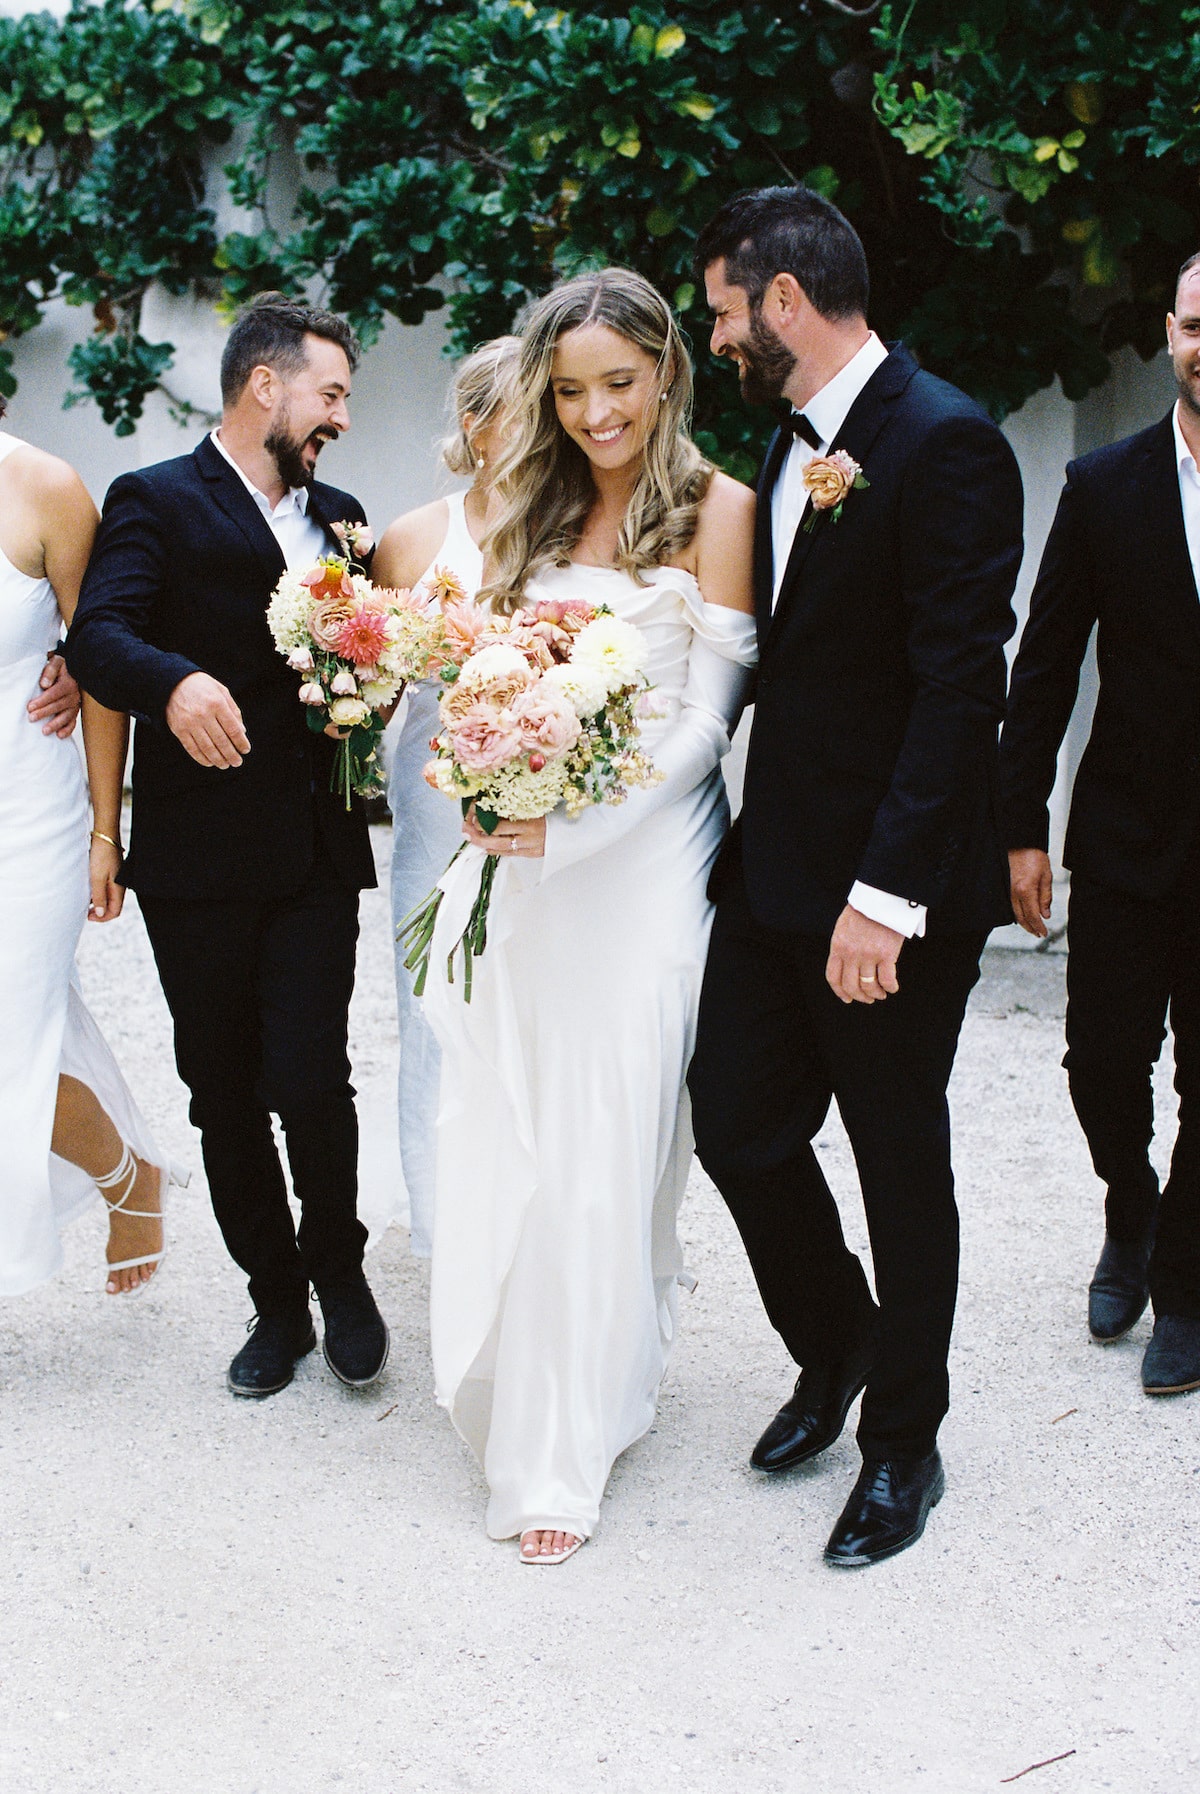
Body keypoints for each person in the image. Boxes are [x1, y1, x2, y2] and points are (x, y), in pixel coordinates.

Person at [688, 186, 1024, 1566]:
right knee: (735, 1123)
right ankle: (837, 1349)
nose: (714, 338)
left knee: (898, 1160)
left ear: (781, 302)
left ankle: (905, 1445)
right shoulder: (784, 446)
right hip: (776, 876)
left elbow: (961, 687)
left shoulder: (945, 441)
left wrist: (886, 897)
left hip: (893, 891)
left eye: (720, 311)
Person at [420, 269, 757, 1563]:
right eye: (569, 391)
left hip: (643, 870)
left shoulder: (718, 505)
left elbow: (699, 732)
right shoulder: (535, 499)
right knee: (520, 1120)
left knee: (611, 1134)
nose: (595, 412)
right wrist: (488, 760)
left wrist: (573, 828)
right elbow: (479, 665)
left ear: (666, 371)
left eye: (618, 383)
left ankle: (565, 1442)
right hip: (520, 867)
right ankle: (537, 1371)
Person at [65, 294, 389, 1397]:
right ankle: (275, 1302)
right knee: (223, 1087)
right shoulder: (153, 500)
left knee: (313, 1076)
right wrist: (177, 680)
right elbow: (100, 636)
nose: (340, 415)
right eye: (332, 393)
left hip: (313, 855)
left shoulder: (343, 516)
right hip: (198, 866)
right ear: (268, 386)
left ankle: (341, 1276)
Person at [999, 252, 1200, 1398]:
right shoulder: (1105, 486)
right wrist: (1022, 826)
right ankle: (1131, 1204)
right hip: (1124, 828)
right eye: (1195, 323)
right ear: (1168, 335)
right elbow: (1044, 665)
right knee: (1102, 1062)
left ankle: (1187, 1277)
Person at [0, 405, 173, 1299]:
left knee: (8, 1036)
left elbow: (103, 661)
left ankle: (124, 1173)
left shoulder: (44, 487)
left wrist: (109, 829)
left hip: (24, 811)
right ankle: (128, 1171)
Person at [374, 337, 519, 1256]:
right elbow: (368, 692)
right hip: (434, 802)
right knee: (433, 1003)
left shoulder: (591, 528)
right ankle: (441, 1229)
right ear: (478, 424)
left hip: (555, 807)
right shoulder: (416, 539)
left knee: (530, 1004)